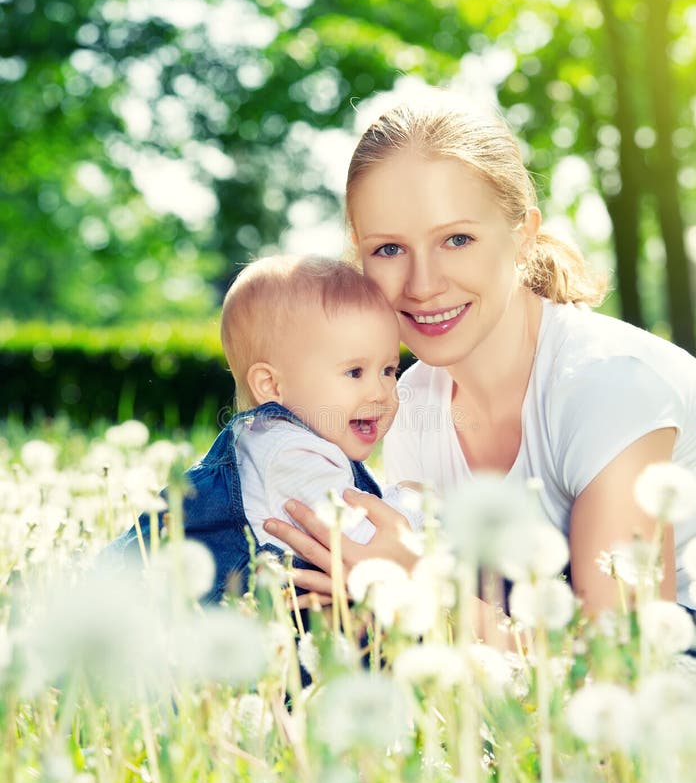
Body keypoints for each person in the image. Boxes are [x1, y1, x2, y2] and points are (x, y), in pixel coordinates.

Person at [263, 92, 696, 615]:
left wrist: (419, 588)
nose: (423, 285)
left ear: (523, 237)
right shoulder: (410, 404)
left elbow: (621, 662)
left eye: (457, 239)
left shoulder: (609, 386)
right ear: (359, 254)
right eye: (389, 249)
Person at [106, 254, 420, 601]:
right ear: (271, 386)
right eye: (354, 372)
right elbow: (365, 545)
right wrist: (416, 504)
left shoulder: (283, 444)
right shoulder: (289, 454)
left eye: (389, 370)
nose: (380, 391)